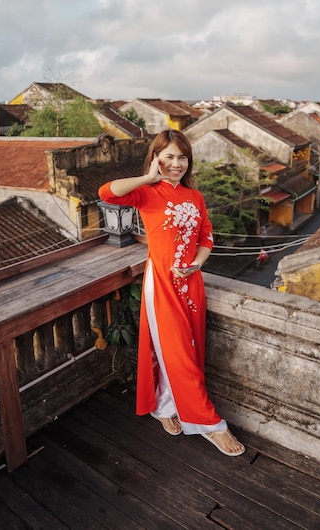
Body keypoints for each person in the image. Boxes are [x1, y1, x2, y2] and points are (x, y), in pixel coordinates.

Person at [98, 129, 245, 457]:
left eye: (182, 157)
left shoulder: (195, 197)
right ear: (155, 158)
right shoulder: (147, 193)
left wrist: (196, 264)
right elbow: (107, 193)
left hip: (192, 284)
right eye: (168, 156)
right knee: (178, 353)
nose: (176, 163)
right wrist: (146, 177)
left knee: (187, 353)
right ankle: (210, 425)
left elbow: (207, 237)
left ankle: (163, 407)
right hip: (162, 284)